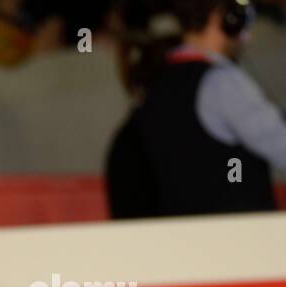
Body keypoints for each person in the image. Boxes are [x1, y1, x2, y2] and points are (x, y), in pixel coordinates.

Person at [108, 0, 285, 217]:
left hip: (185, 239)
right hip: (239, 239)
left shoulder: (154, 83)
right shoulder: (223, 83)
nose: (248, 35)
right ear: (224, 16)